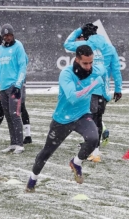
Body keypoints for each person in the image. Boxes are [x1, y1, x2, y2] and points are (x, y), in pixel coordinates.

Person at [25, 45, 108, 193]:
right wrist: (94, 84)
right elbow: (72, 97)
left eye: (91, 63)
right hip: (62, 119)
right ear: (77, 60)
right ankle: (32, 179)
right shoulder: (66, 74)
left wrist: (106, 93)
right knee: (46, 153)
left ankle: (76, 163)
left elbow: (104, 70)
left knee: (94, 138)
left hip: (83, 115)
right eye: (85, 63)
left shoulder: (95, 70)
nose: (89, 67)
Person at [64, 23, 122, 162]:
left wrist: (79, 29)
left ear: (85, 35)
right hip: (102, 89)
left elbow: (67, 44)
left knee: (86, 119)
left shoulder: (85, 45)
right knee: (97, 119)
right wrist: (118, 89)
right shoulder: (109, 47)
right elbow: (116, 69)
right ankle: (94, 149)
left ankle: (93, 149)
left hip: (87, 88)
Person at [0, 24, 28, 154]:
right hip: (4, 87)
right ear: (2, 37)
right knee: (7, 116)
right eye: (5, 35)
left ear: (13, 35)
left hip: (14, 86)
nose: (7, 37)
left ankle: (20, 144)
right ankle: (13, 143)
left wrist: (18, 85)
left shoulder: (18, 46)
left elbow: (22, 67)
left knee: (15, 115)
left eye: (10, 35)